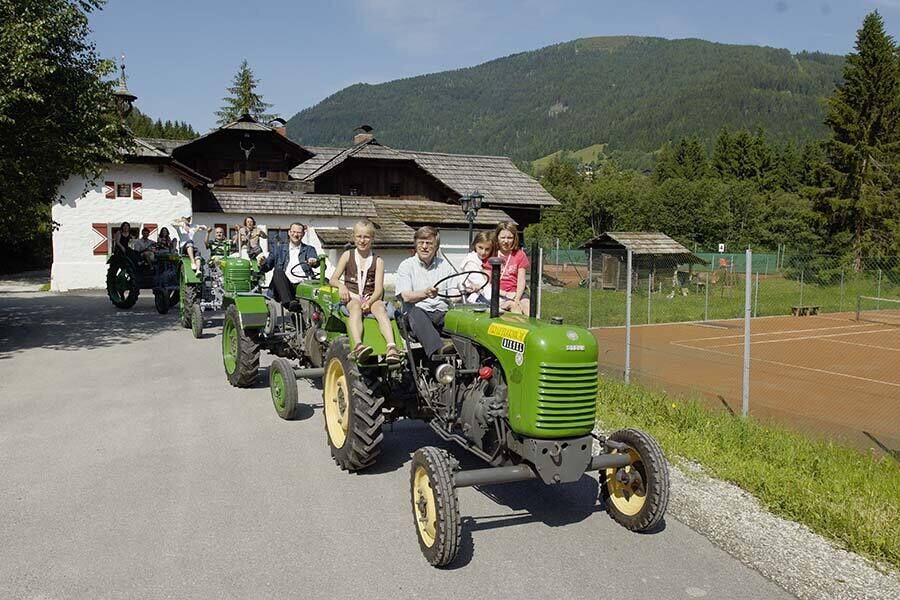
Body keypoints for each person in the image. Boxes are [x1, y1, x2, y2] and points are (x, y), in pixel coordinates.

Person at [329, 220, 401, 364]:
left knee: (380, 308)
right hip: (352, 296)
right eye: (359, 236)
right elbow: (333, 279)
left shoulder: (378, 260)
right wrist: (342, 287)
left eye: (366, 237)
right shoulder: (347, 256)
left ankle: (392, 347)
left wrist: (369, 302)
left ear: (372, 239)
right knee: (355, 307)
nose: (362, 240)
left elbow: (379, 289)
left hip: (371, 298)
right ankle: (358, 345)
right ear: (354, 237)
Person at [395, 226, 458, 357]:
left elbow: (454, 295)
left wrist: (465, 291)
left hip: (441, 313)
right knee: (415, 312)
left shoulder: (445, 266)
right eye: (421, 243)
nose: (424, 247)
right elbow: (406, 296)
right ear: (415, 244)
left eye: (429, 243)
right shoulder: (406, 265)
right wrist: (425, 293)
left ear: (436, 247)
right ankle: (439, 349)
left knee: (461, 318)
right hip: (415, 313)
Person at [258, 222, 319, 309]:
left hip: (303, 284)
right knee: (278, 272)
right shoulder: (278, 249)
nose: (295, 235)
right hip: (285, 286)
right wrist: (262, 263)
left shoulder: (309, 249)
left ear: (303, 234)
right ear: (289, 233)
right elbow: (266, 267)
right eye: (293, 232)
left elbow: (315, 261)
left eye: (299, 232)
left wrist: (313, 261)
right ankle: (289, 303)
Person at [495, 221, 530, 315]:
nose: (506, 241)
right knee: (515, 309)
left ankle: (536, 328)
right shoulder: (493, 254)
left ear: (514, 238)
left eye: (509, 238)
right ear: (497, 237)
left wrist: (517, 298)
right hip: (498, 294)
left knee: (528, 308)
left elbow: (521, 280)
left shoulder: (519, 255)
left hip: (516, 293)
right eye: (503, 237)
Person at [458, 231, 495, 303]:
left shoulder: (485, 260)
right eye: (480, 247)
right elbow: (482, 284)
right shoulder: (471, 261)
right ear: (475, 245)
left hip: (481, 295)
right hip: (473, 298)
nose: (483, 252)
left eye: (487, 249)